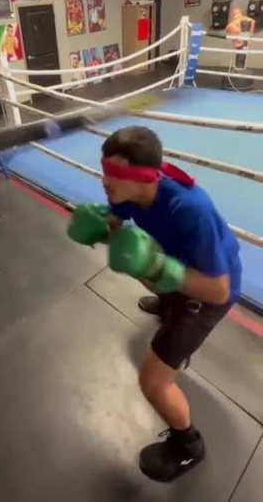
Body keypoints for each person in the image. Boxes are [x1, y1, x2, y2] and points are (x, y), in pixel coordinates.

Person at [67, 126, 242, 482]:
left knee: (153, 381)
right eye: (104, 170)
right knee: (154, 271)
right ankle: (167, 305)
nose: (105, 181)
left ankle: (188, 445)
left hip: (208, 291)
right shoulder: (125, 193)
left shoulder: (190, 209)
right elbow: (118, 222)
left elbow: (219, 291)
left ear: (145, 176)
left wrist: (155, 268)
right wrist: (101, 228)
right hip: (180, 271)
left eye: (115, 174)